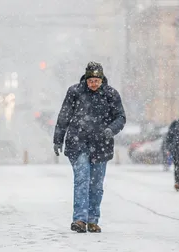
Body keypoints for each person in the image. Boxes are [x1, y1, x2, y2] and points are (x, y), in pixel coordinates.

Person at [53, 61, 126, 233]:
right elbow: (64, 117)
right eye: (90, 80)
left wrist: (111, 130)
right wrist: (58, 139)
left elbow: (121, 117)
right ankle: (79, 219)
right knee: (82, 179)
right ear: (86, 79)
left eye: (96, 81)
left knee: (96, 184)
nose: (93, 84)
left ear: (102, 79)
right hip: (77, 143)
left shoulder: (111, 95)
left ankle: (93, 219)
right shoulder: (75, 92)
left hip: (101, 144)